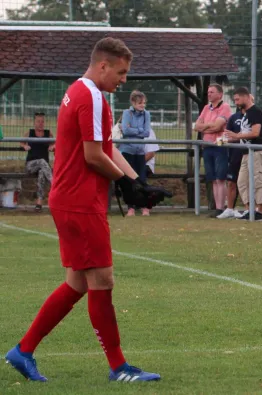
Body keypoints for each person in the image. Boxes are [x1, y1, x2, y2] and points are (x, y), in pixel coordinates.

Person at [5, 37, 160, 382]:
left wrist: (139, 182)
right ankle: (119, 368)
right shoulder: (89, 95)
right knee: (102, 279)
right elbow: (92, 157)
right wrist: (124, 183)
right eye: (120, 72)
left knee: (77, 282)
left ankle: (24, 350)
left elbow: (105, 148)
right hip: (79, 201)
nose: (124, 80)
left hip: (74, 199)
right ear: (102, 65)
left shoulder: (84, 92)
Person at [224, 87, 262, 221]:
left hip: (256, 152)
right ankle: (249, 210)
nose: (236, 102)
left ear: (246, 97)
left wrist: (237, 135)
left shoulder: (255, 112)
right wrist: (229, 139)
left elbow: (255, 133)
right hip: (246, 152)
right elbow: (243, 135)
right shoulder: (245, 114)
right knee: (241, 182)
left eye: (237, 99)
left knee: (257, 182)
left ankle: (260, 212)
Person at [195, 84, 232, 217]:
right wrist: (209, 126)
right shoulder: (206, 108)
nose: (209, 94)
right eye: (208, 91)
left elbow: (217, 127)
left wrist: (206, 127)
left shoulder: (225, 107)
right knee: (212, 178)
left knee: (220, 178)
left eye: (212, 92)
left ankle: (221, 208)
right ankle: (217, 207)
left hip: (220, 146)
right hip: (207, 145)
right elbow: (196, 126)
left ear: (220, 94)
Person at [120, 90, 150, 216]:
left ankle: (144, 206)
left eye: (144, 103)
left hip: (140, 151)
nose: (142, 105)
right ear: (133, 102)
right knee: (129, 179)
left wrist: (136, 130)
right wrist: (140, 130)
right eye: (139, 103)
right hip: (127, 150)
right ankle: (131, 208)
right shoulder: (127, 113)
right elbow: (125, 131)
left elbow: (147, 132)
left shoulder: (146, 114)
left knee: (142, 178)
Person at [20, 112, 55, 212]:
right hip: (31, 165)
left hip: (43, 167)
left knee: (42, 173)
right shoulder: (29, 133)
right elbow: (21, 142)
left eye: (42, 122)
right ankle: (54, 184)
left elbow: (55, 143)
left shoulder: (49, 134)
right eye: (38, 121)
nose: (40, 123)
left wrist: (53, 146)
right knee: (41, 161)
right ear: (34, 122)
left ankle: (39, 203)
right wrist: (24, 146)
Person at [217, 104, 246, 219]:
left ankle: (250, 210)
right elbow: (226, 136)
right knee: (231, 182)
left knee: (246, 183)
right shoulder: (234, 117)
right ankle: (229, 209)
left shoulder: (255, 116)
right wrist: (219, 141)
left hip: (249, 155)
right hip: (234, 156)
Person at [142, 128, 161, 216]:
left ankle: (146, 207)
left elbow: (151, 153)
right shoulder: (123, 130)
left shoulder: (148, 131)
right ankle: (131, 208)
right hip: (131, 164)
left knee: (139, 176)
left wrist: (138, 164)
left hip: (145, 164)